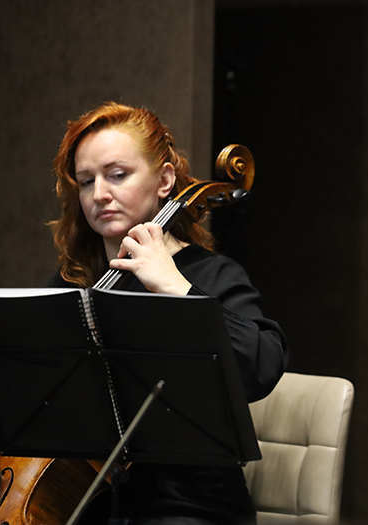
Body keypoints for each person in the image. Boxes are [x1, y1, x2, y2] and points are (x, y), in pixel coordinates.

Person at [47, 102, 288, 524]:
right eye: (86, 181)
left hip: (189, 506)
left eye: (117, 175)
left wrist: (175, 286)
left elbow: (261, 366)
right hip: (91, 504)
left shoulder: (212, 275)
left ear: (164, 181)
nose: (99, 194)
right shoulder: (74, 284)